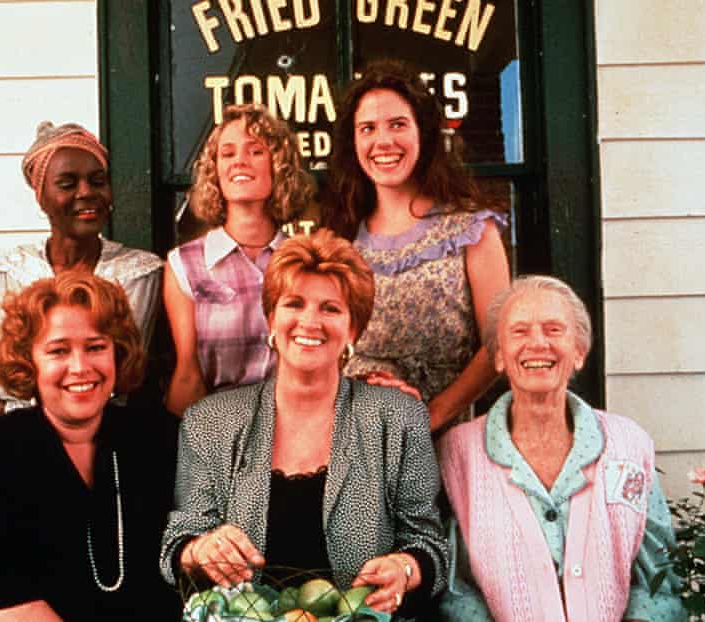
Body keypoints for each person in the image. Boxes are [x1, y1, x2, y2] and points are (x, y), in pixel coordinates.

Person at [160, 229, 448, 619]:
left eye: (330, 308)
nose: (309, 322)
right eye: (293, 304)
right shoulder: (211, 421)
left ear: (353, 329)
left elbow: (430, 544)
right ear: (270, 320)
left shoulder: (398, 417)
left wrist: (406, 569)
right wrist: (200, 550)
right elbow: (176, 544)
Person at [436, 276, 686, 621]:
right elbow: (457, 591)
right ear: (498, 356)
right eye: (519, 332)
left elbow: (659, 581)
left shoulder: (628, 444)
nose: (538, 343)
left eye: (554, 329)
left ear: (579, 352)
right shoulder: (459, 453)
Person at [0, 273, 181, 621]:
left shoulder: (161, 439)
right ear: (28, 361)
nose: (80, 368)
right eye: (58, 350)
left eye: (96, 347)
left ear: (118, 352)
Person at [0, 121, 163, 440]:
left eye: (98, 181)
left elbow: (117, 381)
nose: (87, 193)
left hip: (102, 444)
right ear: (40, 195)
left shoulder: (142, 273)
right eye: (67, 183)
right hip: (10, 446)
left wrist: (5, 408)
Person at [324, 59, 511, 433]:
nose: (383, 141)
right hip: (354, 437)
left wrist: (434, 414)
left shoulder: (470, 229)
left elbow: (499, 344)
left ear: (422, 133)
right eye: (367, 129)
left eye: (397, 124)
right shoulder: (339, 238)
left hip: (446, 434)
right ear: (354, 142)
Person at [163, 104, 315, 416]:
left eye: (255, 151)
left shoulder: (304, 261)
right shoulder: (185, 265)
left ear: (279, 165)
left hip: (297, 427)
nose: (239, 162)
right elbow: (188, 375)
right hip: (218, 429)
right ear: (215, 169)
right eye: (228, 153)